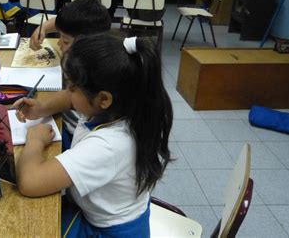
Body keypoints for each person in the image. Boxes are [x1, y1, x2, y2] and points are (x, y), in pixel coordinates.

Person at [16, 32, 173, 237]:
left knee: (29, 225)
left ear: (104, 99)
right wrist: (41, 109)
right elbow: (70, 99)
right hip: (108, 212)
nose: (67, 92)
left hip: (107, 231)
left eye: (72, 87)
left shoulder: (109, 145)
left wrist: (35, 141)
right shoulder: (118, 108)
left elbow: (30, 182)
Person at [17, 0, 112, 150]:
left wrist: (35, 142)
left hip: (77, 140)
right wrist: (43, 28)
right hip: (65, 125)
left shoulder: (97, 75)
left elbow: (31, 176)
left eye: (65, 40)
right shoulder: (93, 48)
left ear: (90, 43)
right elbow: (69, 96)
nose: (59, 44)